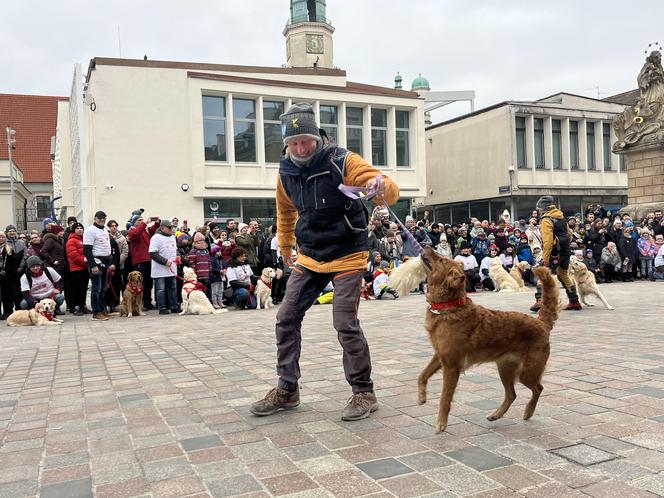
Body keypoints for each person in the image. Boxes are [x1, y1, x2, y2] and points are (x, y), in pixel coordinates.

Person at [250, 102, 399, 421]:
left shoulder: (342, 160)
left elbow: (382, 184)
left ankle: (363, 392)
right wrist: (287, 243)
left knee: (344, 321)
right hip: (311, 253)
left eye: (306, 140)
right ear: (286, 144)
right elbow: (285, 211)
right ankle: (287, 389)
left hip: (348, 251)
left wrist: (379, 187)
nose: (301, 148)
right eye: (294, 143)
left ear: (317, 136)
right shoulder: (285, 172)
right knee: (286, 316)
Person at [530, 196, 580, 311]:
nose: (538, 211)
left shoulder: (546, 219)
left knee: (542, 273)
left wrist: (546, 259)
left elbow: (547, 241)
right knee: (563, 274)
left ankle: (540, 300)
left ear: (543, 208)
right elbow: (569, 234)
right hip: (565, 250)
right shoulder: (560, 216)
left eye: (539, 208)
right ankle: (574, 301)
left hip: (554, 251)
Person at [83, 211, 113, 321]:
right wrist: (93, 265)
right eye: (100, 218)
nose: (102, 220)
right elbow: (87, 249)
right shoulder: (90, 231)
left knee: (103, 288)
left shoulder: (105, 230)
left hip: (105, 261)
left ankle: (101, 309)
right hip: (96, 261)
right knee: (96, 288)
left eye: (104, 218)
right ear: (95, 218)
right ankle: (96, 312)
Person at [127, 215, 159, 310]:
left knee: (149, 282)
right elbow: (136, 234)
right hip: (140, 260)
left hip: (149, 259)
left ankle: (148, 301)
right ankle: (140, 303)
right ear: (134, 222)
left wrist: (156, 223)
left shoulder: (144, 230)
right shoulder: (132, 231)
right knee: (141, 283)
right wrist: (145, 224)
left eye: (142, 220)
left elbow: (153, 231)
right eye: (139, 220)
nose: (142, 221)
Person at [149, 219, 180, 315]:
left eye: (171, 227)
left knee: (173, 287)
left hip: (171, 268)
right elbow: (152, 253)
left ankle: (174, 306)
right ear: (162, 228)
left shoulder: (172, 237)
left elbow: (175, 249)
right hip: (160, 268)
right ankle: (162, 307)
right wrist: (164, 261)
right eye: (169, 227)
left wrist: (178, 256)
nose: (171, 229)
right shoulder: (156, 237)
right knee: (161, 289)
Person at [66, 223, 90, 315]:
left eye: (81, 228)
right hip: (76, 269)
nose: (80, 230)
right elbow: (74, 256)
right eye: (77, 228)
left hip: (84, 268)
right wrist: (86, 262)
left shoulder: (85, 240)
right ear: (74, 230)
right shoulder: (71, 241)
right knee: (76, 289)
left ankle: (82, 305)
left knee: (84, 288)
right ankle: (76, 307)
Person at [0, 231, 19, 319]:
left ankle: (8, 312)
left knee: (8, 295)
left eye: (2, 237)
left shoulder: (9, 248)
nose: (1, 239)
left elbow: (15, 261)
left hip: (7, 275)